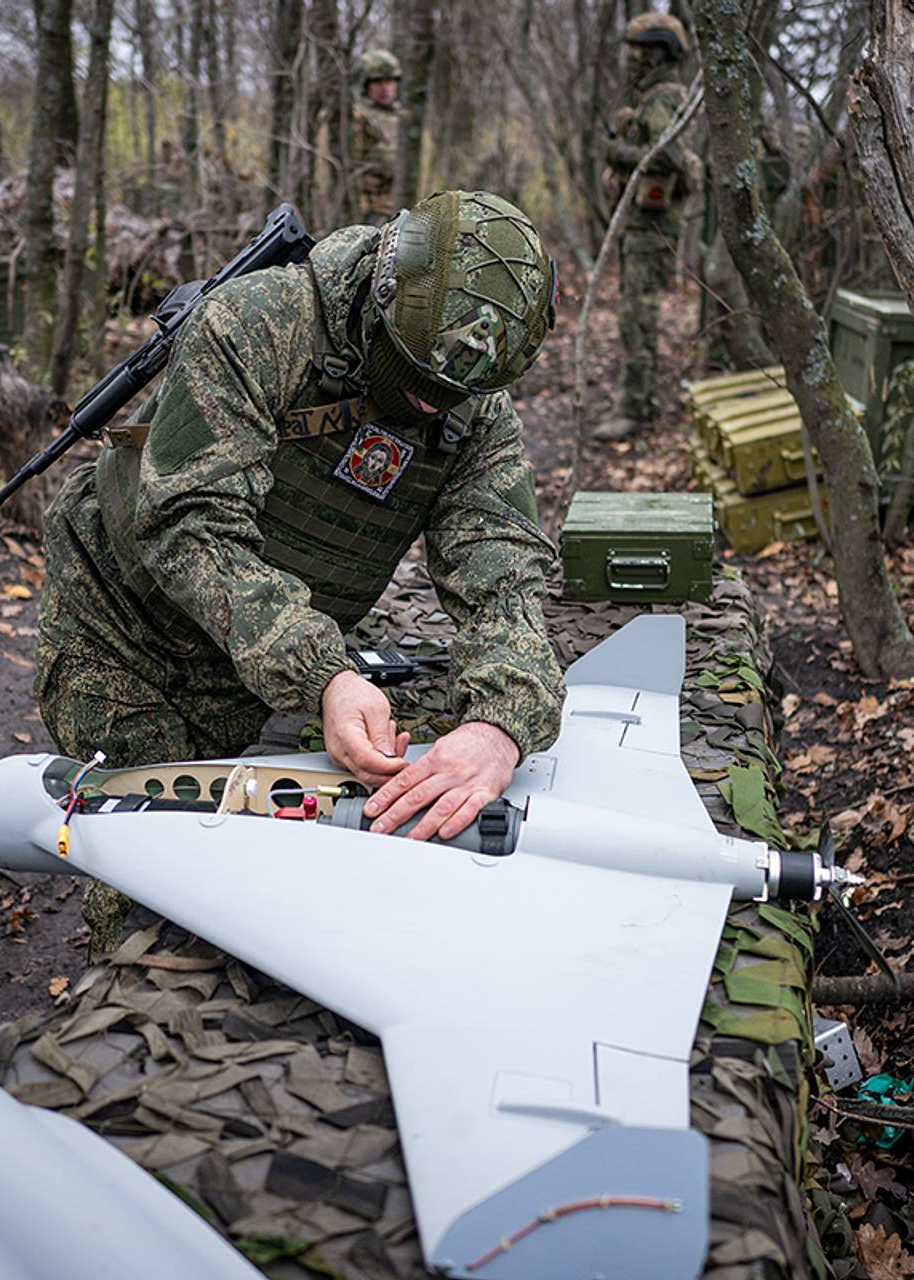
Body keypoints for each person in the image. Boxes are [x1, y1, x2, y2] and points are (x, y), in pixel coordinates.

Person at [34, 189, 564, 949]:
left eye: (454, 393)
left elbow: (504, 580)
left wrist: (498, 724)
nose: (430, 402)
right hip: (121, 625)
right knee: (154, 900)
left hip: (245, 666)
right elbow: (192, 527)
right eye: (416, 376)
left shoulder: (476, 415)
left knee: (247, 885)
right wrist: (324, 674)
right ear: (382, 300)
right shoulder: (257, 327)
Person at [594, 12, 696, 442]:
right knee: (634, 312)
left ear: (657, 54)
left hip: (652, 227)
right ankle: (636, 398)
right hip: (642, 225)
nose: (632, 61)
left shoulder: (664, 99)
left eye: (639, 52)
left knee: (638, 314)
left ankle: (636, 407)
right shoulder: (654, 99)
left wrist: (618, 153)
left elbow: (667, 156)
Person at [352, 48, 402, 226]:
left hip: (402, 205)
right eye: (378, 82)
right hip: (374, 209)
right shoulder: (358, 116)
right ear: (366, 85)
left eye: (389, 81)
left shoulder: (401, 116)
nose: (385, 88)